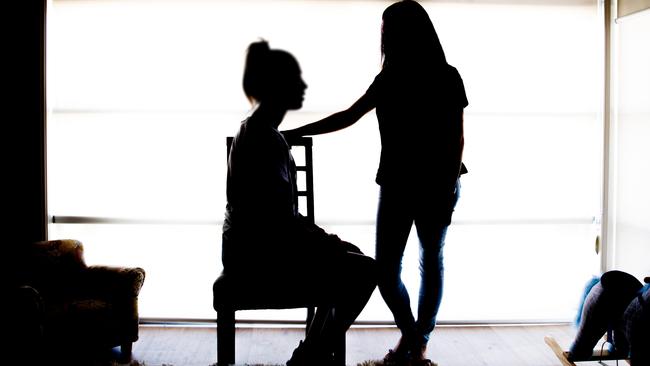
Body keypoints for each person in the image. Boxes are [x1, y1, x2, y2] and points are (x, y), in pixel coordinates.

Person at [282, 1, 468, 365]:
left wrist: (447, 186)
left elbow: (457, 139)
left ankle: (417, 342)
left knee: (430, 261)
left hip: (436, 182)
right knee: (387, 271)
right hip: (399, 184)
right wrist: (296, 132)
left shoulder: (446, 75)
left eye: (386, 28)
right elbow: (349, 115)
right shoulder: (390, 77)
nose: (381, 35)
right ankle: (415, 339)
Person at [222, 40, 376, 366]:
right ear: (276, 85)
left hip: (252, 246)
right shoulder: (264, 138)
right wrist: (328, 243)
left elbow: (281, 216)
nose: (303, 85)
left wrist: (328, 242)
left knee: (353, 260)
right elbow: (277, 222)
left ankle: (310, 355)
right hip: (259, 255)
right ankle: (311, 358)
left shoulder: (260, 130)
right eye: (296, 78)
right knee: (365, 271)